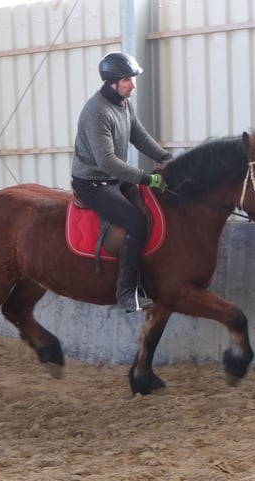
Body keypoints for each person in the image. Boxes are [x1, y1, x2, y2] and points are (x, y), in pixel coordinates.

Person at [71, 51, 172, 313]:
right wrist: (146, 178)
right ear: (112, 81)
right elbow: (106, 162)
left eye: (133, 78)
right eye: (128, 79)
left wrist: (165, 157)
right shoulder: (97, 112)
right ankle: (126, 292)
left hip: (114, 180)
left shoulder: (124, 104)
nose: (133, 85)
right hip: (93, 183)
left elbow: (138, 135)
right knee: (135, 222)